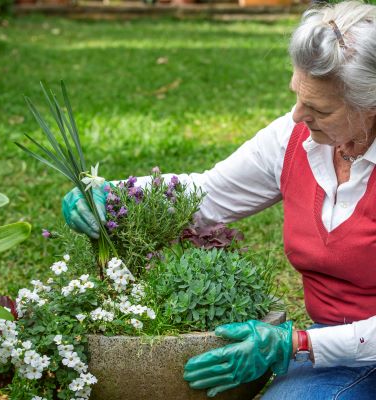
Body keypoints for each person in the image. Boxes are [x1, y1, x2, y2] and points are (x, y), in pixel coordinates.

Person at [62, 1, 376, 398]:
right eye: (297, 96)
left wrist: (296, 345)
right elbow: (206, 195)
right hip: (334, 348)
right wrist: (116, 196)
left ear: (370, 107)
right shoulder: (294, 140)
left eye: (318, 108)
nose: (297, 116)